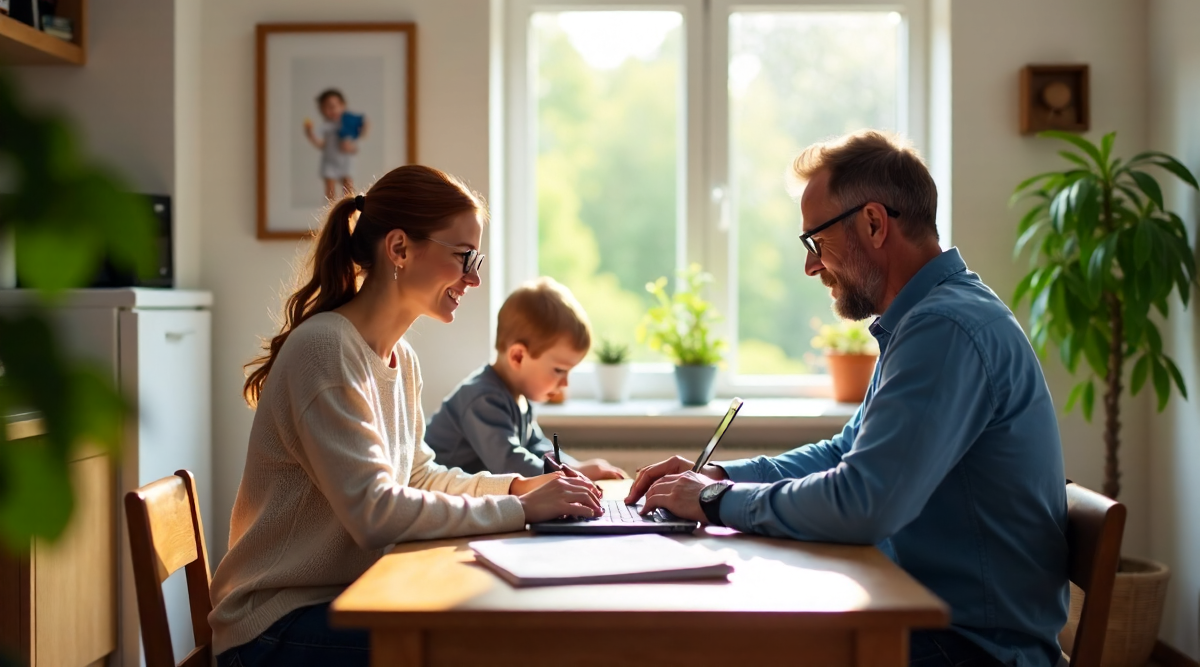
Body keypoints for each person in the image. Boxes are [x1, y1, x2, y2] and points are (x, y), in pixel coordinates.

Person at [627, 130, 1069, 667]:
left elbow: (865, 503)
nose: (811, 266)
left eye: (815, 241)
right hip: (939, 626)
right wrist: (721, 478)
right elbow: (847, 452)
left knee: (707, 644)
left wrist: (713, 502)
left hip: (968, 649)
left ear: (875, 223)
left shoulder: (944, 327)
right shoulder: (926, 317)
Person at [209, 165, 602, 667]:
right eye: (464, 257)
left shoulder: (401, 358)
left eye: (475, 259)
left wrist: (517, 489)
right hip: (274, 626)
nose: (474, 278)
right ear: (398, 249)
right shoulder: (325, 350)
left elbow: (418, 475)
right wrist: (523, 511)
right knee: (485, 647)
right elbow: (375, 513)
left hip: (348, 595)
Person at [425, 276, 626, 480]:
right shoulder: (482, 399)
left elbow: (537, 447)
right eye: (559, 370)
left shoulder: (519, 396)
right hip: (438, 495)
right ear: (518, 356)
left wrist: (575, 467)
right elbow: (509, 462)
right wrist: (571, 475)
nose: (565, 384)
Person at [303, 88, 369, 202]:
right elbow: (321, 144)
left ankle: (349, 206)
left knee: (348, 185)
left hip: (345, 161)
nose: (331, 110)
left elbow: (358, 140)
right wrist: (309, 133)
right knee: (330, 187)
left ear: (343, 106)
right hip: (330, 161)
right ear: (322, 110)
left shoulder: (348, 123)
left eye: (334, 106)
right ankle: (331, 209)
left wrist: (352, 145)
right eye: (327, 107)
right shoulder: (326, 126)